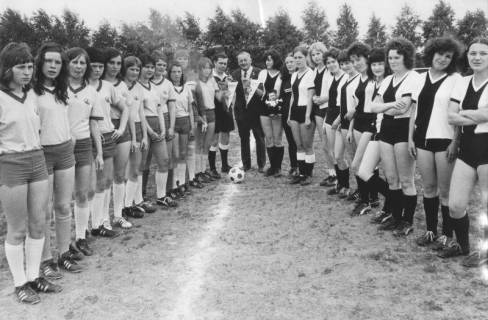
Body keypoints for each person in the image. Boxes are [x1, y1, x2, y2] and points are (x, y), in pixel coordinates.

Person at [0, 42, 57, 304]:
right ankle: (19, 283)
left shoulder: (32, 94)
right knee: (17, 228)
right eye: (20, 67)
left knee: (38, 221)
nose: (26, 72)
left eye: (29, 66)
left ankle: (34, 276)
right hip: (11, 163)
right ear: (7, 69)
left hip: (37, 158)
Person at [407, 37, 463, 248]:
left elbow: (457, 114)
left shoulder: (456, 79)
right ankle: (430, 231)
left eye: (448, 56)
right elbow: (414, 110)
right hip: (421, 140)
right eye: (440, 54)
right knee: (429, 187)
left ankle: (447, 235)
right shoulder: (420, 78)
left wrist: (455, 142)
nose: (443, 59)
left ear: (453, 59)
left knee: (445, 190)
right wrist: (410, 138)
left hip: (445, 140)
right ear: (431, 53)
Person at [440, 38, 488, 273]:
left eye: (483, 54)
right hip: (467, 148)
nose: (477, 58)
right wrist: (479, 114)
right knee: (456, 205)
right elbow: (451, 116)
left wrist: (465, 113)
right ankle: (463, 245)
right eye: (473, 53)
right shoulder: (463, 82)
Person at [33, 43, 79, 279]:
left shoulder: (64, 90)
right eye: (48, 61)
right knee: (43, 211)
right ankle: (45, 259)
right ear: (40, 63)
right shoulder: (31, 91)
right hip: (42, 153)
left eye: (58, 62)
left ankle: (63, 253)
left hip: (64, 152)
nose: (53, 66)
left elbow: (65, 118)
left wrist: (69, 137)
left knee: (63, 206)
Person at [371, 38, 421, 236]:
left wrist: (384, 107)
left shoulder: (413, 78)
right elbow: (373, 107)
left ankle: (407, 222)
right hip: (386, 130)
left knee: (406, 180)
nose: (392, 61)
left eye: (397, 57)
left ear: (406, 57)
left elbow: (404, 108)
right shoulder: (387, 80)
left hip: (403, 130)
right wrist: (388, 106)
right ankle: (396, 216)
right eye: (390, 57)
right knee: (391, 178)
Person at [65, 47, 102, 260]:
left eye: (82, 63)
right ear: (67, 64)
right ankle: (63, 243)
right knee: (61, 199)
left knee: (82, 193)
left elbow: (94, 124)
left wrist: (97, 151)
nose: (79, 67)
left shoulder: (91, 92)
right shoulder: (58, 88)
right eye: (74, 62)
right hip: (61, 146)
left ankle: (80, 237)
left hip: (84, 144)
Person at [86, 46, 126, 238]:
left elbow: (125, 108)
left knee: (106, 181)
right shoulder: (81, 87)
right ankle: (92, 224)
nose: (97, 69)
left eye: (100, 66)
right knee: (89, 185)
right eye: (93, 65)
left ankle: (103, 221)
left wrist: (121, 128)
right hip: (88, 140)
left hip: (107, 137)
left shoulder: (108, 87)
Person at [138, 53, 177, 208]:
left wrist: (162, 129)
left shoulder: (154, 87)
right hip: (144, 128)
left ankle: (161, 196)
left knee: (164, 160)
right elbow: (139, 113)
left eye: (152, 67)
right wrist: (149, 131)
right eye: (146, 67)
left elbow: (159, 108)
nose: (150, 70)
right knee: (143, 164)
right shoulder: (136, 87)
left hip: (157, 127)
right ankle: (139, 196)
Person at [347, 42, 381, 215]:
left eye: (358, 59)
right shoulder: (358, 79)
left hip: (370, 124)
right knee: (365, 165)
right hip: (358, 124)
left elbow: (375, 106)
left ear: (367, 58)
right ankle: (369, 198)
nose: (356, 63)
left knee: (359, 165)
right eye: (353, 61)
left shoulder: (375, 78)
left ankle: (371, 197)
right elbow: (357, 106)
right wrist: (352, 126)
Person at [102, 48, 133, 229]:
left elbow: (126, 109)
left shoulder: (122, 85)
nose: (114, 67)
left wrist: (121, 129)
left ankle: (118, 215)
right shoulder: (97, 84)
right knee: (105, 178)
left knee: (119, 175)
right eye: (111, 62)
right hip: (104, 130)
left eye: (118, 63)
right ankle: (103, 218)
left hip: (121, 131)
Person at [121, 56, 150, 218]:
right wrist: (132, 138)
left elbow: (140, 113)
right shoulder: (121, 87)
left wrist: (144, 135)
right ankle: (126, 205)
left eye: (137, 69)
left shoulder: (138, 87)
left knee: (137, 167)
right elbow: (128, 115)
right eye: (131, 69)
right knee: (129, 169)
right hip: (125, 130)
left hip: (139, 129)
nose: (134, 72)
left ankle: (136, 201)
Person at [330, 50, 360, 197]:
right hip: (343, 122)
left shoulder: (359, 79)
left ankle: (364, 192)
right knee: (337, 155)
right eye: (342, 64)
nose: (345, 66)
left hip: (352, 124)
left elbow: (356, 107)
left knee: (356, 159)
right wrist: (337, 121)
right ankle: (344, 185)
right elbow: (343, 105)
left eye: (347, 63)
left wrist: (350, 127)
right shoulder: (345, 79)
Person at [232, 51, 266, 172]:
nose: (243, 62)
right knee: (244, 138)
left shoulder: (260, 72)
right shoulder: (234, 74)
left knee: (259, 137)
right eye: (240, 61)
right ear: (238, 62)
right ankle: (246, 165)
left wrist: (253, 86)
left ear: (250, 60)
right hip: (241, 112)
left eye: (245, 60)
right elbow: (230, 93)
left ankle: (261, 165)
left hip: (256, 111)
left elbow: (263, 93)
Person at [288, 46, 316, 185]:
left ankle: (308, 174)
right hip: (294, 111)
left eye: (300, 57)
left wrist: (307, 116)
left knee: (307, 144)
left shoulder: (311, 74)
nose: (297, 60)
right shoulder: (294, 74)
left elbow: (310, 97)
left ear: (306, 58)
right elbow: (293, 96)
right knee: (298, 144)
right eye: (295, 57)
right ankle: (301, 172)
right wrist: (289, 115)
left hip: (306, 110)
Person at [309, 42, 336, 186]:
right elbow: (315, 90)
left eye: (318, 53)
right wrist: (315, 98)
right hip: (318, 109)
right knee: (324, 144)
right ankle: (331, 173)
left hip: (329, 108)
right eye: (313, 54)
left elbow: (335, 91)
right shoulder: (314, 71)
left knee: (331, 144)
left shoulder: (330, 69)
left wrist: (323, 99)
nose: (316, 57)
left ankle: (338, 174)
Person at [195, 57, 224, 179]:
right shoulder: (195, 82)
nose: (207, 70)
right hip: (201, 114)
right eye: (204, 68)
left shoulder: (212, 80)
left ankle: (202, 170)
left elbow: (219, 97)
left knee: (207, 144)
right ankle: (196, 173)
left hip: (212, 113)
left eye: (209, 68)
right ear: (200, 69)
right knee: (199, 144)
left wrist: (226, 88)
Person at [168, 62, 195, 194]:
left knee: (183, 154)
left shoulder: (187, 88)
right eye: (174, 72)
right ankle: (174, 184)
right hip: (174, 122)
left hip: (185, 122)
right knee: (175, 155)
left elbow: (190, 108)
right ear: (170, 73)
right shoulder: (168, 87)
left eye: (179, 72)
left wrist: (192, 126)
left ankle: (182, 182)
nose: (177, 74)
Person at [322, 48, 347, 187]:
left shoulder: (346, 77)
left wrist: (337, 121)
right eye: (328, 62)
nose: (331, 65)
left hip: (339, 118)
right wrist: (325, 121)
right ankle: (340, 184)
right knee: (333, 154)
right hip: (329, 117)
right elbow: (330, 102)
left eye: (333, 61)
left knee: (339, 155)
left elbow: (343, 104)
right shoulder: (331, 78)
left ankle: (346, 186)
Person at [258, 49, 284, 177]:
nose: (267, 62)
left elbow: (282, 92)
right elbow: (259, 91)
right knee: (268, 138)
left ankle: (278, 167)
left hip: (276, 108)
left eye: (270, 59)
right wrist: (253, 89)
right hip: (264, 108)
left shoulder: (282, 73)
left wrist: (276, 102)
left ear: (275, 60)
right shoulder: (262, 73)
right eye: (266, 60)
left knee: (277, 138)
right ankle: (272, 167)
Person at [211, 52, 234, 174]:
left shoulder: (228, 77)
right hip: (214, 110)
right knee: (213, 139)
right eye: (220, 63)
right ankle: (212, 168)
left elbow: (230, 95)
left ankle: (224, 165)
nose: (223, 65)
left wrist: (230, 87)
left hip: (226, 110)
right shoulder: (209, 77)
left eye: (225, 63)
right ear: (214, 62)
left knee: (225, 137)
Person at [280, 53, 298, 176]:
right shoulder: (284, 80)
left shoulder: (301, 77)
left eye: (291, 61)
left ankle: (305, 168)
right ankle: (294, 166)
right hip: (286, 114)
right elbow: (282, 97)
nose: (289, 64)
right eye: (287, 62)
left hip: (298, 113)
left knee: (300, 142)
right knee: (291, 142)